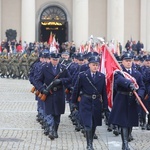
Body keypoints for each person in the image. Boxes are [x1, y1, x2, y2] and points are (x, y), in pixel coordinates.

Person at [109, 52, 145, 150]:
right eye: (126, 61)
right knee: (124, 122)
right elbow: (119, 80)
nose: (129, 63)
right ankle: (125, 144)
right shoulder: (119, 72)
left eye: (130, 61)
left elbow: (142, 86)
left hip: (133, 99)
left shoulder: (137, 73)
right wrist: (129, 83)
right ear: (122, 62)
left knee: (130, 122)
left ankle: (128, 137)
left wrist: (140, 96)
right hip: (122, 99)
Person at [72, 55, 108, 150]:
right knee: (88, 124)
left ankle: (90, 141)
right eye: (93, 65)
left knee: (94, 124)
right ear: (89, 65)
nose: (95, 67)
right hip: (85, 102)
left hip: (96, 103)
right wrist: (74, 102)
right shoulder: (83, 75)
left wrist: (105, 106)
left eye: (97, 65)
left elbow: (104, 92)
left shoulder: (101, 76)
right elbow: (76, 89)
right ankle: (89, 145)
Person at [35, 52, 71, 140]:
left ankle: (55, 130)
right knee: (49, 113)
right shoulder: (44, 68)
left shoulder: (63, 68)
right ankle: (51, 130)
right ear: (50, 59)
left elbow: (70, 79)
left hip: (59, 94)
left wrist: (61, 81)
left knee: (57, 115)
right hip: (49, 94)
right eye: (53, 59)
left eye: (57, 60)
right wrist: (42, 89)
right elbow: (38, 80)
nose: (55, 61)